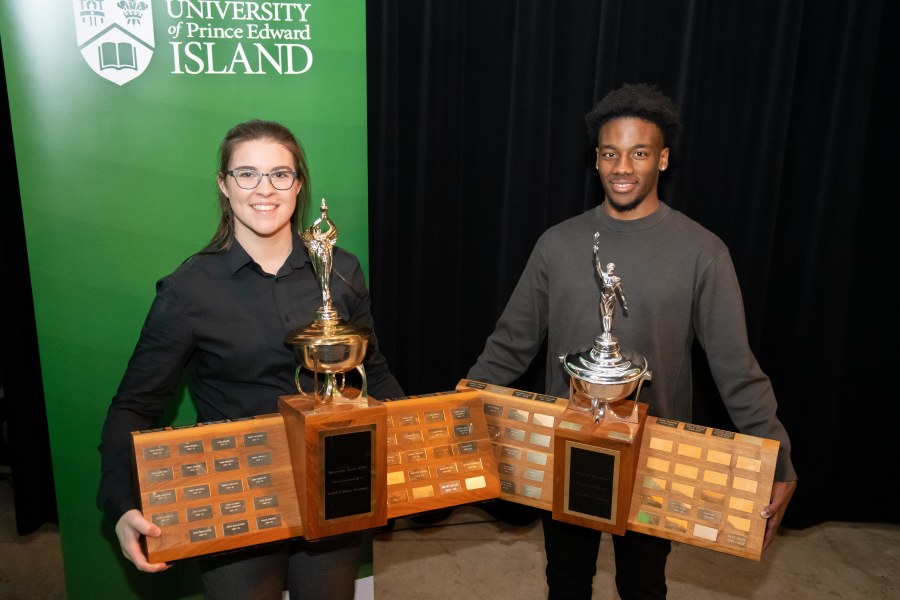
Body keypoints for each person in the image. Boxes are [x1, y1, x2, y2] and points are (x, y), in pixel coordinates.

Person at [467, 83, 797, 599]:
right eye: (610, 153)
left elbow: (735, 366)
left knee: (643, 585)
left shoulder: (702, 251)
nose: (623, 167)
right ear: (596, 161)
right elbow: (511, 344)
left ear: (662, 159)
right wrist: (459, 406)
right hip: (567, 448)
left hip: (655, 455)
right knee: (567, 579)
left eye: (639, 153)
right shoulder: (557, 244)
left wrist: (778, 454)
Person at [96, 119, 404, 600]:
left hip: (335, 480)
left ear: (299, 184)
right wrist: (120, 502)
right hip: (237, 494)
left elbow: (374, 370)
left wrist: (414, 448)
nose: (265, 189)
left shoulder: (341, 271)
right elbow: (134, 405)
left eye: (280, 174)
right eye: (247, 174)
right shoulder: (189, 290)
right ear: (224, 185)